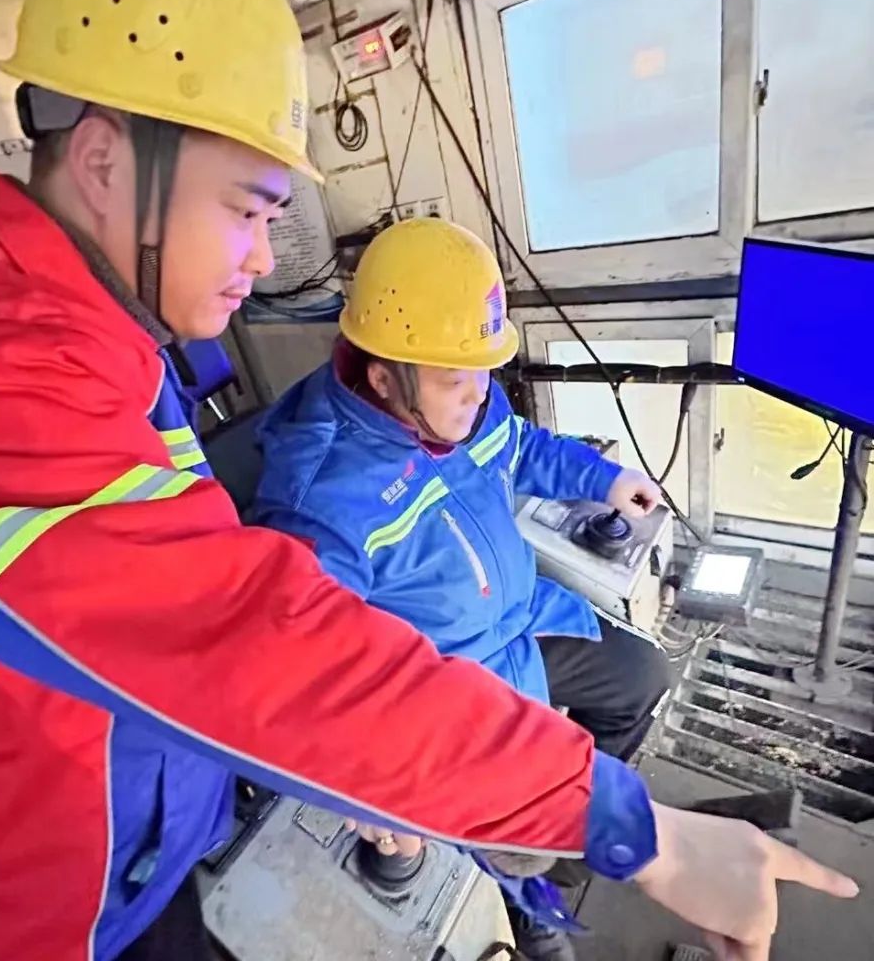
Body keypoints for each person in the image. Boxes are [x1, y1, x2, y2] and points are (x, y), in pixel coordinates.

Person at [0, 0, 855, 961]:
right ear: (108, 161)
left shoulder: (104, 342)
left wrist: (589, 479)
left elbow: (179, 624)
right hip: (8, 917)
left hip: (141, 851)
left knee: (632, 678)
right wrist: (639, 831)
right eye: (248, 207)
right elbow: (269, 648)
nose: (265, 258)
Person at [251, 217, 676, 957]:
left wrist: (604, 478)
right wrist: (371, 782)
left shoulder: (457, 395)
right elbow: (311, 672)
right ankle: (528, 902)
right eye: (458, 378)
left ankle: (560, 829)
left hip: (525, 618)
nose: (479, 396)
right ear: (383, 377)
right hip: (453, 679)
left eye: (483, 373)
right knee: (521, 841)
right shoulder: (318, 500)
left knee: (642, 676)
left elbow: (519, 447)